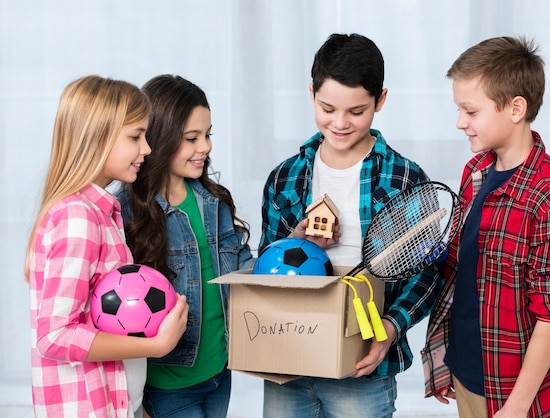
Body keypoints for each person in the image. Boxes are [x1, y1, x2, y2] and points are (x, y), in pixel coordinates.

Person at [259, 33, 440, 418]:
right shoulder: (285, 178)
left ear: (381, 100)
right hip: (289, 362)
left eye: (357, 112)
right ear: (311, 94)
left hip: (362, 366)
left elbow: (428, 272)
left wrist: (391, 328)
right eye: (327, 108)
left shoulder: (405, 179)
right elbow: (264, 269)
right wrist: (295, 242)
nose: (339, 123)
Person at [421, 36, 550, 418]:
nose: (460, 122)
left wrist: (516, 406)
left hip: (511, 394)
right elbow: (466, 274)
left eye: (471, 111)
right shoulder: (476, 172)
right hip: (467, 373)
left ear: (516, 108)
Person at [25, 75, 189, 418]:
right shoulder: (78, 217)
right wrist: (156, 345)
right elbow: (54, 336)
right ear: (96, 137)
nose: (146, 148)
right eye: (135, 136)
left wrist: (134, 406)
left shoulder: (103, 212)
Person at [116, 74, 254, 418]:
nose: (205, 147)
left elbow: (243, 271)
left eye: (207, 135)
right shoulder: (126, 213)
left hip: (219, 373)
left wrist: (293, 242)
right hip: (167, 386)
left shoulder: (214, 202)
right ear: (158, 140)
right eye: (192, 138)